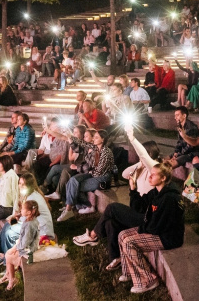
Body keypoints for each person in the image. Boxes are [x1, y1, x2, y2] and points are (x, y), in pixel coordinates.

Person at [72, 124, 160, 270]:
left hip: (147, 216)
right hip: (138, 209)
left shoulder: (155, 169)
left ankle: (93, 235)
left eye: (141, 155)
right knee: (110, 223)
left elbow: (144, 157)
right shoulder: (142, 167)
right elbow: (125, 173)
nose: (139, 156)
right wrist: (140, 164)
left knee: (112, 208)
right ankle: (116, 258)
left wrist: (132, 139)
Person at [117, 161, 185, 294]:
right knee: (122, 235)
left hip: (168, 237)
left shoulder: (169, 198)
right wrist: (133, 188)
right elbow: (139, 207)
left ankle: (148, 280)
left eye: (153, 175)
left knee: (129, 242)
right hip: (157, 231)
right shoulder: (156, 192)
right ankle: (129, 273)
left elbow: (157, 227)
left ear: (163, 178)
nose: (149, 177)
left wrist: (140, 232)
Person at [0, 173, 54, 270]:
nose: (20, 186)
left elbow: (28, 219)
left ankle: (9, 262)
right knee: (7, 226)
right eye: (19, 183)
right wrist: (17, 217)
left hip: (40, 229)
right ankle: (2, 255)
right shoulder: (29, 194)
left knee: (10, 233)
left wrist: (17, 219)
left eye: (23, 184)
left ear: (29, 186)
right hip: (32, 224)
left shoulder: (32, 197)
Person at [56, 129, 114, 221]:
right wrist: (70, 136)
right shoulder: (95, 147)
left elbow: (98, 172)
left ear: (102, 139)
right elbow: (82, 143)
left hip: (101, 177)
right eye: (94, 137)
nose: (94, 139)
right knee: (72, 181)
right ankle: (73, 206)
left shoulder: (106, 153)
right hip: (92, 173)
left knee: (76, 186)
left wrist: (86, 171)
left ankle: (82, 207)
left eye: (96, 137)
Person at [0, 200, 40, 291]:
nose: (20, 210)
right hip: (23, 245)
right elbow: (22, 237)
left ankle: (12, 279)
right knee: (9, 253)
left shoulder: (30, 225)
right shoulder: (28, 219)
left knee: (8, 256)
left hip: (29, 249)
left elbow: (26, 242)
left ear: (29, 212)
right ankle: (9, 274)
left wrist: (16, 248)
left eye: (22, 209)